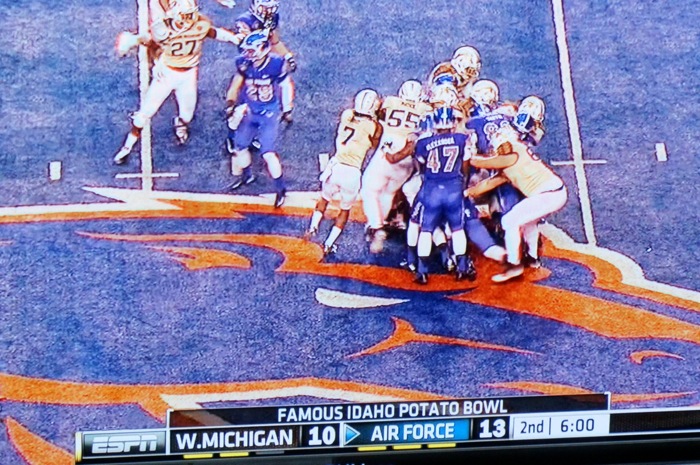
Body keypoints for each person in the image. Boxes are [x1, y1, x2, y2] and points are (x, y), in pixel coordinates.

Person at [113, 0, 241, 164]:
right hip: (167, 74)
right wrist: (151, 55)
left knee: (186, 116)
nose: (187, 20)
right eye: (184, 16)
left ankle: (180, 123)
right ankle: (127, 147)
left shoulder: (200, 24)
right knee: (143, 114)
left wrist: (234, 38)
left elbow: (214, 33)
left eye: (189, 16)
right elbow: (151, 43)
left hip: (188, 75)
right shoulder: (162, 28)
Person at [468, 125, 567, 283]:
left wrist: (470, 152)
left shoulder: (513, 154)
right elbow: (488, 184)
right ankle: (533, 258)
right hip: (552, 192)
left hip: (549, 194)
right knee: (528, 222)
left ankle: (514, 265)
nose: (500, 149)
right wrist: (467, 193)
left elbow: (480, 163)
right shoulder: (512, 159)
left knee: (509, 221)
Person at [304, 89, 383, 255]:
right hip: (352, 172)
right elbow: (375, 144)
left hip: (336, 166)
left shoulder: (347, 115)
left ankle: (313, 227)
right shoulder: (374, 127)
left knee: (324, 199)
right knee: (344, 210)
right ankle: (329, 243)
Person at [224, 30, 294, 208]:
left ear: (264, 49)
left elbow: (285, 85)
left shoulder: (276, 64)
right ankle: (247, 174)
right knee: (239, 147)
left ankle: (280, 189)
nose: (248, 54)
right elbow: (236, 84)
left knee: (268, 153)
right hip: (250, 110)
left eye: (252, 50)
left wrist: (287, 108)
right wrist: (231, 103)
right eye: (247, 50)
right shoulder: (244, 63)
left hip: (268, 113)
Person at [360, 80, 431, 253]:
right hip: (409, 156)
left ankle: (376, 227)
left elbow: (378, 113)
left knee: (369, 189)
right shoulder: (426, 109)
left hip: (390, 146)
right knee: (389, 192)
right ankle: (379, 224)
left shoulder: (391, 101)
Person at [411, 107, 477, 284]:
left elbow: (421, 166)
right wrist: (462, 183)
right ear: (452, 123)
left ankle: (422, 271)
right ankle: (462, 268)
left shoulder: (424, 143)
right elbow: (465, 164)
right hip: (453, 188)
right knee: (457, 229)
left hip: (432, 189)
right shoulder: (462, 139)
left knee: (426, 230)